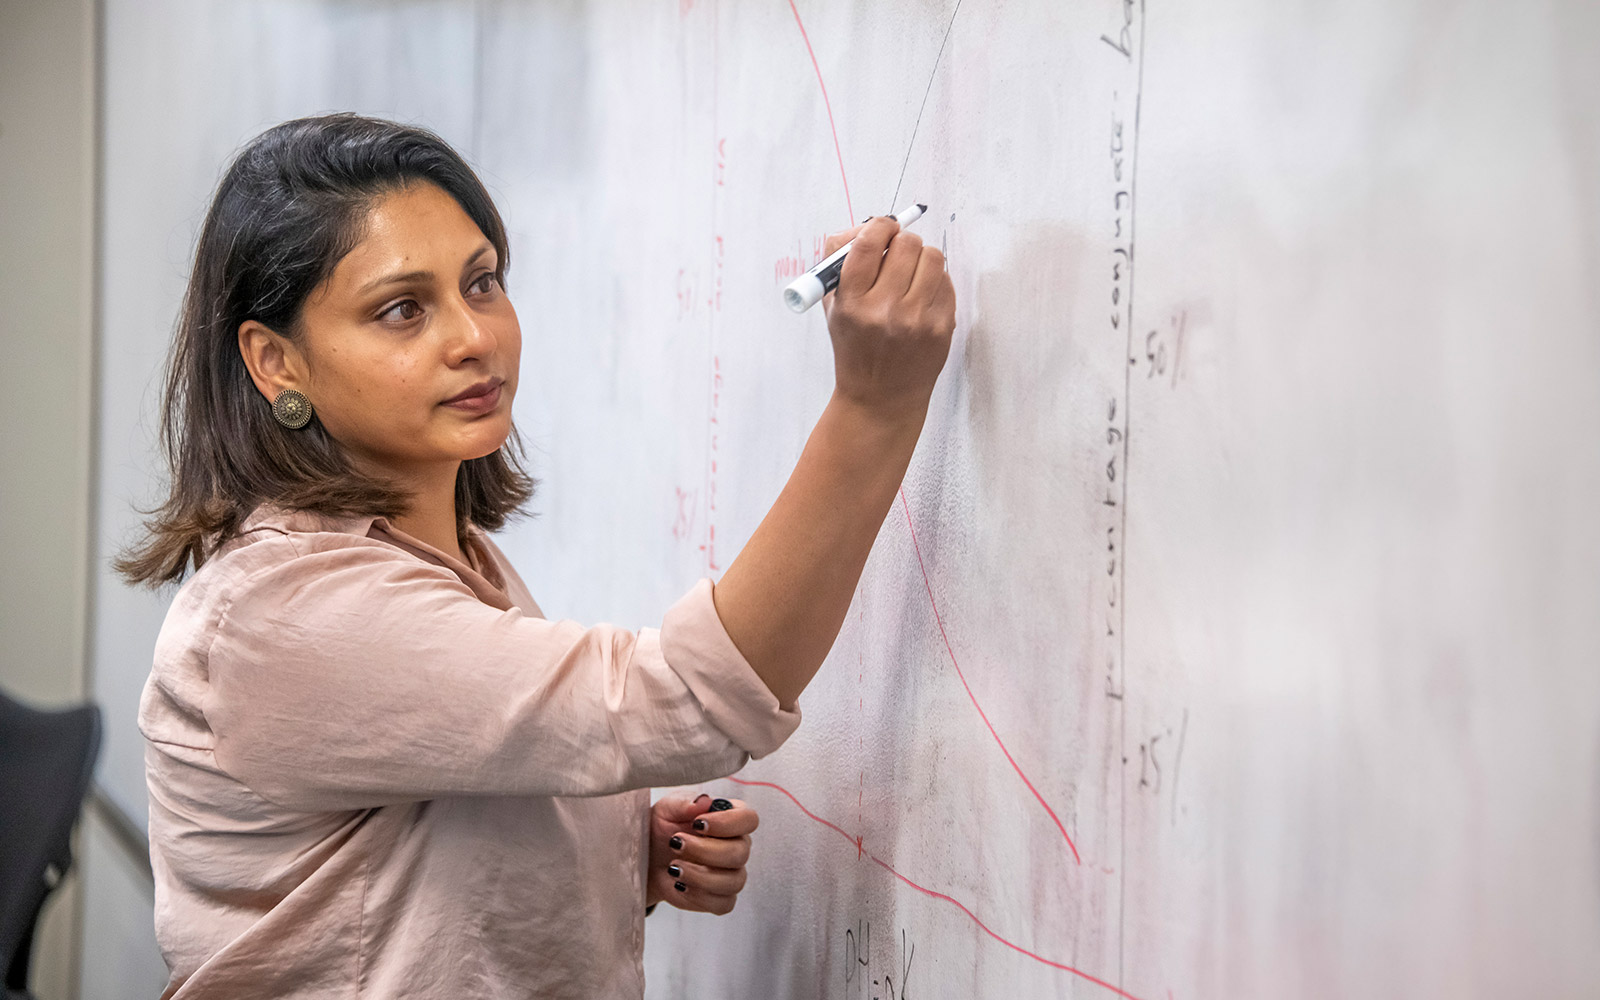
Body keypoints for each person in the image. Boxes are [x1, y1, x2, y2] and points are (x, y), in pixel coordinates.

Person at [115, 113, 955, 999]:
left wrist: (616, 849)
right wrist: (874, 409)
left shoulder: (449, 555)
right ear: (276, 363)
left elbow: (419, 825)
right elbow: (691, 700)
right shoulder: (285, 617)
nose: (473, 336)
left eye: (482, 284)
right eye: (401, 309)